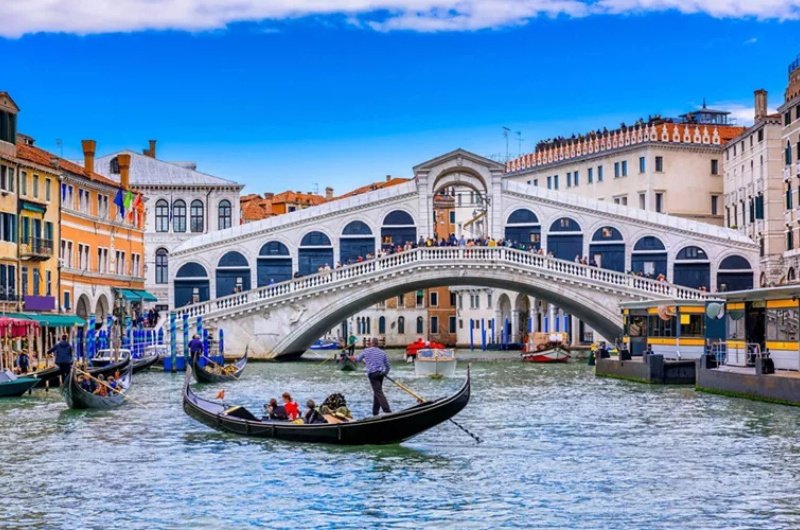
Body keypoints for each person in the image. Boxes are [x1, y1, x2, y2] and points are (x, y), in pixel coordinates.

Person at [356, 337, 391, 416]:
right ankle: (375, 412)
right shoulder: (382, 352)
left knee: (378, 392)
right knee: (377, 392)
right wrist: (385, 372)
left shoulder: (366, 351)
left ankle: (387, 410)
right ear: (377, 344)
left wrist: (354, 358)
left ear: (371, 343)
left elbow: (358, 359)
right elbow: (388, 366)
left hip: (372, 374)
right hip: (381, 374)